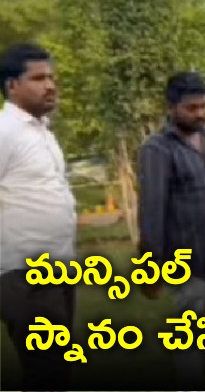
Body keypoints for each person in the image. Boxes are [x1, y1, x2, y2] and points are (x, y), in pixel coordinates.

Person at [137, 71, 205, 390]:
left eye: (204, 106)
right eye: (192, 108)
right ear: (171, 107)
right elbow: (153, 209)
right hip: (187, 264)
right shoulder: (157, 149)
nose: (200, 114)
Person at [0, 43, 77, 391]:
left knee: (56, 367)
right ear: (12, 85)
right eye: (39, 78)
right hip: (24, 272)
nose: (50, 85)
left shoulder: (41, 130)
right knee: (47, 369)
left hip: (57, 267)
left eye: (52, 77)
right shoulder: (5, 132)